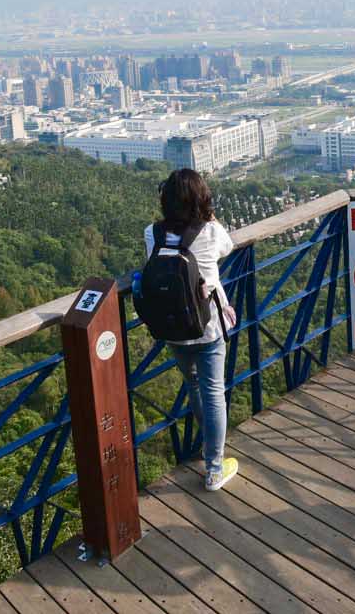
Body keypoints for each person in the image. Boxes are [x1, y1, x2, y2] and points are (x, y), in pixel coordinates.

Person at [146, 168, 240, 492]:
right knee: (214, 391)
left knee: (195, 385)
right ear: (202, 198)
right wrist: (210, 217)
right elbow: (229, 246)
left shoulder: (153, 233)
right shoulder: (210, 231)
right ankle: (215, 468)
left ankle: (207, 447)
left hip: (171, 326)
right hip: (207, 325)